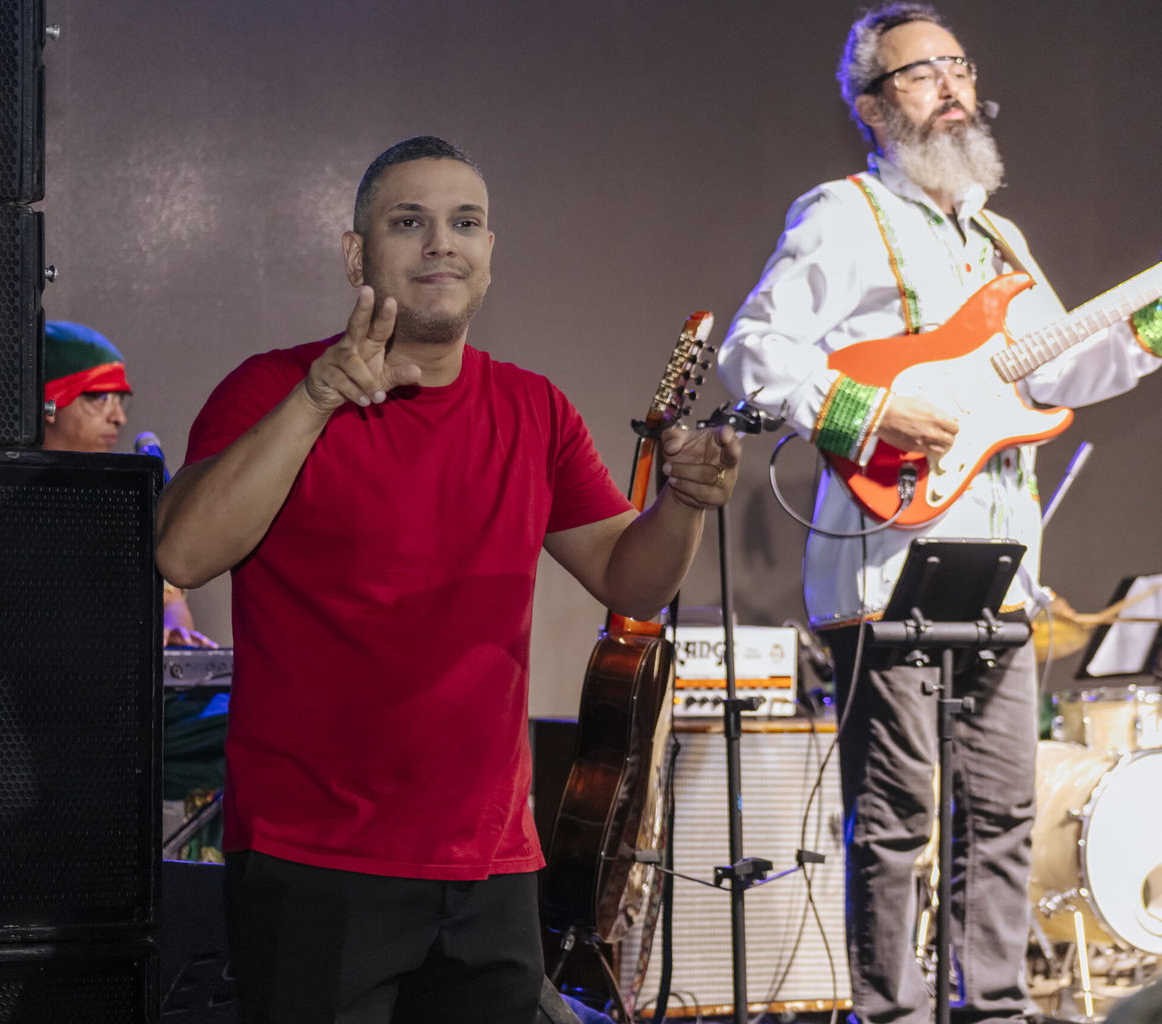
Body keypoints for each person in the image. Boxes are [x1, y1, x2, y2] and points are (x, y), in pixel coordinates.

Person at [717, 5, 1162, 1022]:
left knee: (1003, 812)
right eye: (922, 74)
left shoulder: (1002, 240)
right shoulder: (843, 214)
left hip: (1001, 568)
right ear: (872, 106)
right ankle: (892, 1012)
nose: (952, 87)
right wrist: (874, 409)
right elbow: (755, 350)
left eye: (959, 67)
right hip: (889, 565)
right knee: (895, 821)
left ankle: (993, 1008)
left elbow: (1065, 370)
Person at [153, 135, 741, 1024]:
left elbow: (631, 581)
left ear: (489, 255)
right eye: (409, 222)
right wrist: (315, 401)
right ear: (356, 254)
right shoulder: (272, 387)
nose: (441, 244)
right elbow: (182, 554)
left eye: (465, 224)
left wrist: (685, 503)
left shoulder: (534, 409)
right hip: (315, 862)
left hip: (490, 869)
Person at [42, 319, 213, 648]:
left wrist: (174, 630)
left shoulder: (121, 502)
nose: (119, 417)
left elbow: (170, 600)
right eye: (100, 397)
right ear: (50, 402)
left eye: (120, 401)